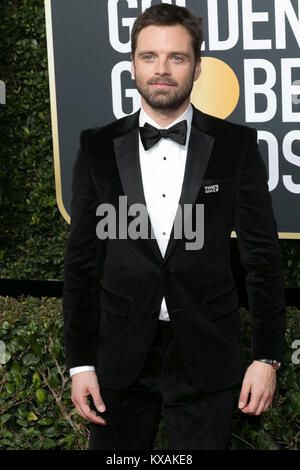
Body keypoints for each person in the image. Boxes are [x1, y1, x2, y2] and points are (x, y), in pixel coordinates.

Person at [62, 4, 286, 450]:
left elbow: (262, 259)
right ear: (132, 65)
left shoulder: (237, 146)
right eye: (150, 56)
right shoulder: (96, 146)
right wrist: (80, 364)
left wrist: (266, 357)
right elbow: (82, 263)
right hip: (120, 355)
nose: (161, 69)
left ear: (197, 67)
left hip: (207, 352)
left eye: (176, 57)